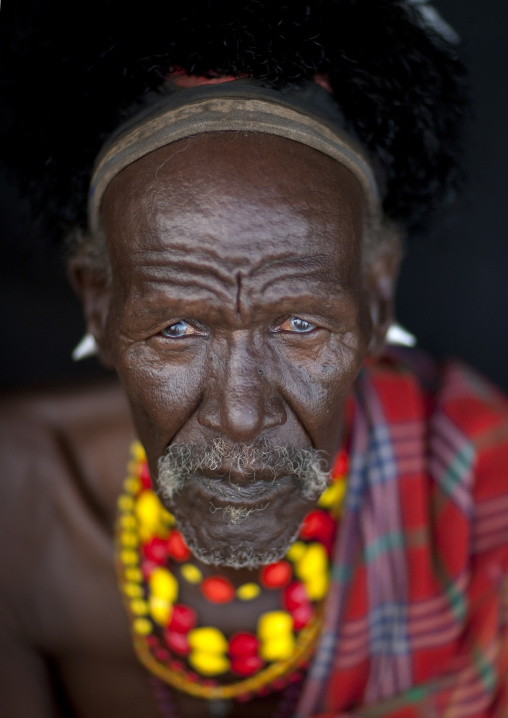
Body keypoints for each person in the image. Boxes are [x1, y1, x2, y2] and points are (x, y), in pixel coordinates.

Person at [0, 1, 507, 717]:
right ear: (99, 307)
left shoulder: (483, 496)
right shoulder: (19, 500)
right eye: (176, 328)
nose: (241, 416)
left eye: (300, 324)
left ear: (377, 300)